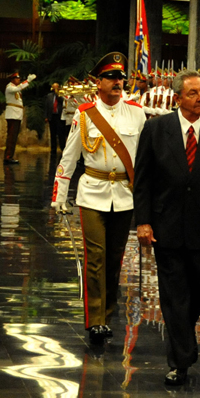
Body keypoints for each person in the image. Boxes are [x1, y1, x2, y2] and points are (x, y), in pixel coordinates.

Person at [133, 70, 200, 386]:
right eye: (193, 93)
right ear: (177, 97)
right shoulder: (156, 129)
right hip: (166, 225)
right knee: (173, 294)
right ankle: (180, 360)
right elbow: (143, 181)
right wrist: (143, 221)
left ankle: (183, 329)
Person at [51, 52, 145, 345]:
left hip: (125, 195)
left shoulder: (137, 113)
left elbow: (144, 157)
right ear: (98, 82)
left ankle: (107, 313)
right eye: (111, 78)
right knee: (95, 257)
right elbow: (70, 155)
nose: (118, 83)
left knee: (115, 259)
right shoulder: (85, 113)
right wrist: (60, 194)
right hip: (92, 192)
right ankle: (95, 321)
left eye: (120, 78)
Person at [4, 71, 36, 164]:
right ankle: (8, 157)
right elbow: (18, 88)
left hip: (16, 115)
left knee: (13, 137)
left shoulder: (15, 88)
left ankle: (10, 156)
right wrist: (28, 81)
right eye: (17, 78)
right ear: (13, 79)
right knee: (11, 137)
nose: (19, 80)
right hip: (12, 115)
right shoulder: (10, 87)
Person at [45, 82, 66, 153]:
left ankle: (62, 148)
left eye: (56, 87)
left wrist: (58, 94)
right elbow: (47, 106)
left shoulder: (62, 95)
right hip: (52, 116)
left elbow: (62, 101)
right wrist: (46, 116)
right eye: (54, 87)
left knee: (61, 133)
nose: (55, 89)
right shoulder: (49, 96)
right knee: (52, 133)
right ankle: (53, 149)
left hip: (59, 116)